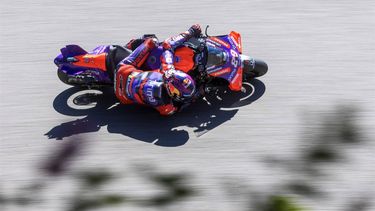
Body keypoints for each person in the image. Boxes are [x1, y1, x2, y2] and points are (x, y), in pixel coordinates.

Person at [114, 24, 203, 115]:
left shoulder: (167, 73)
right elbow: (181, 105)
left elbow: (167, 45)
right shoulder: (167, 108)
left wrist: (190, 32)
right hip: (124, 98)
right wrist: (195, 96)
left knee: (152, 41)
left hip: (123, 71)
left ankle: (129, 46)